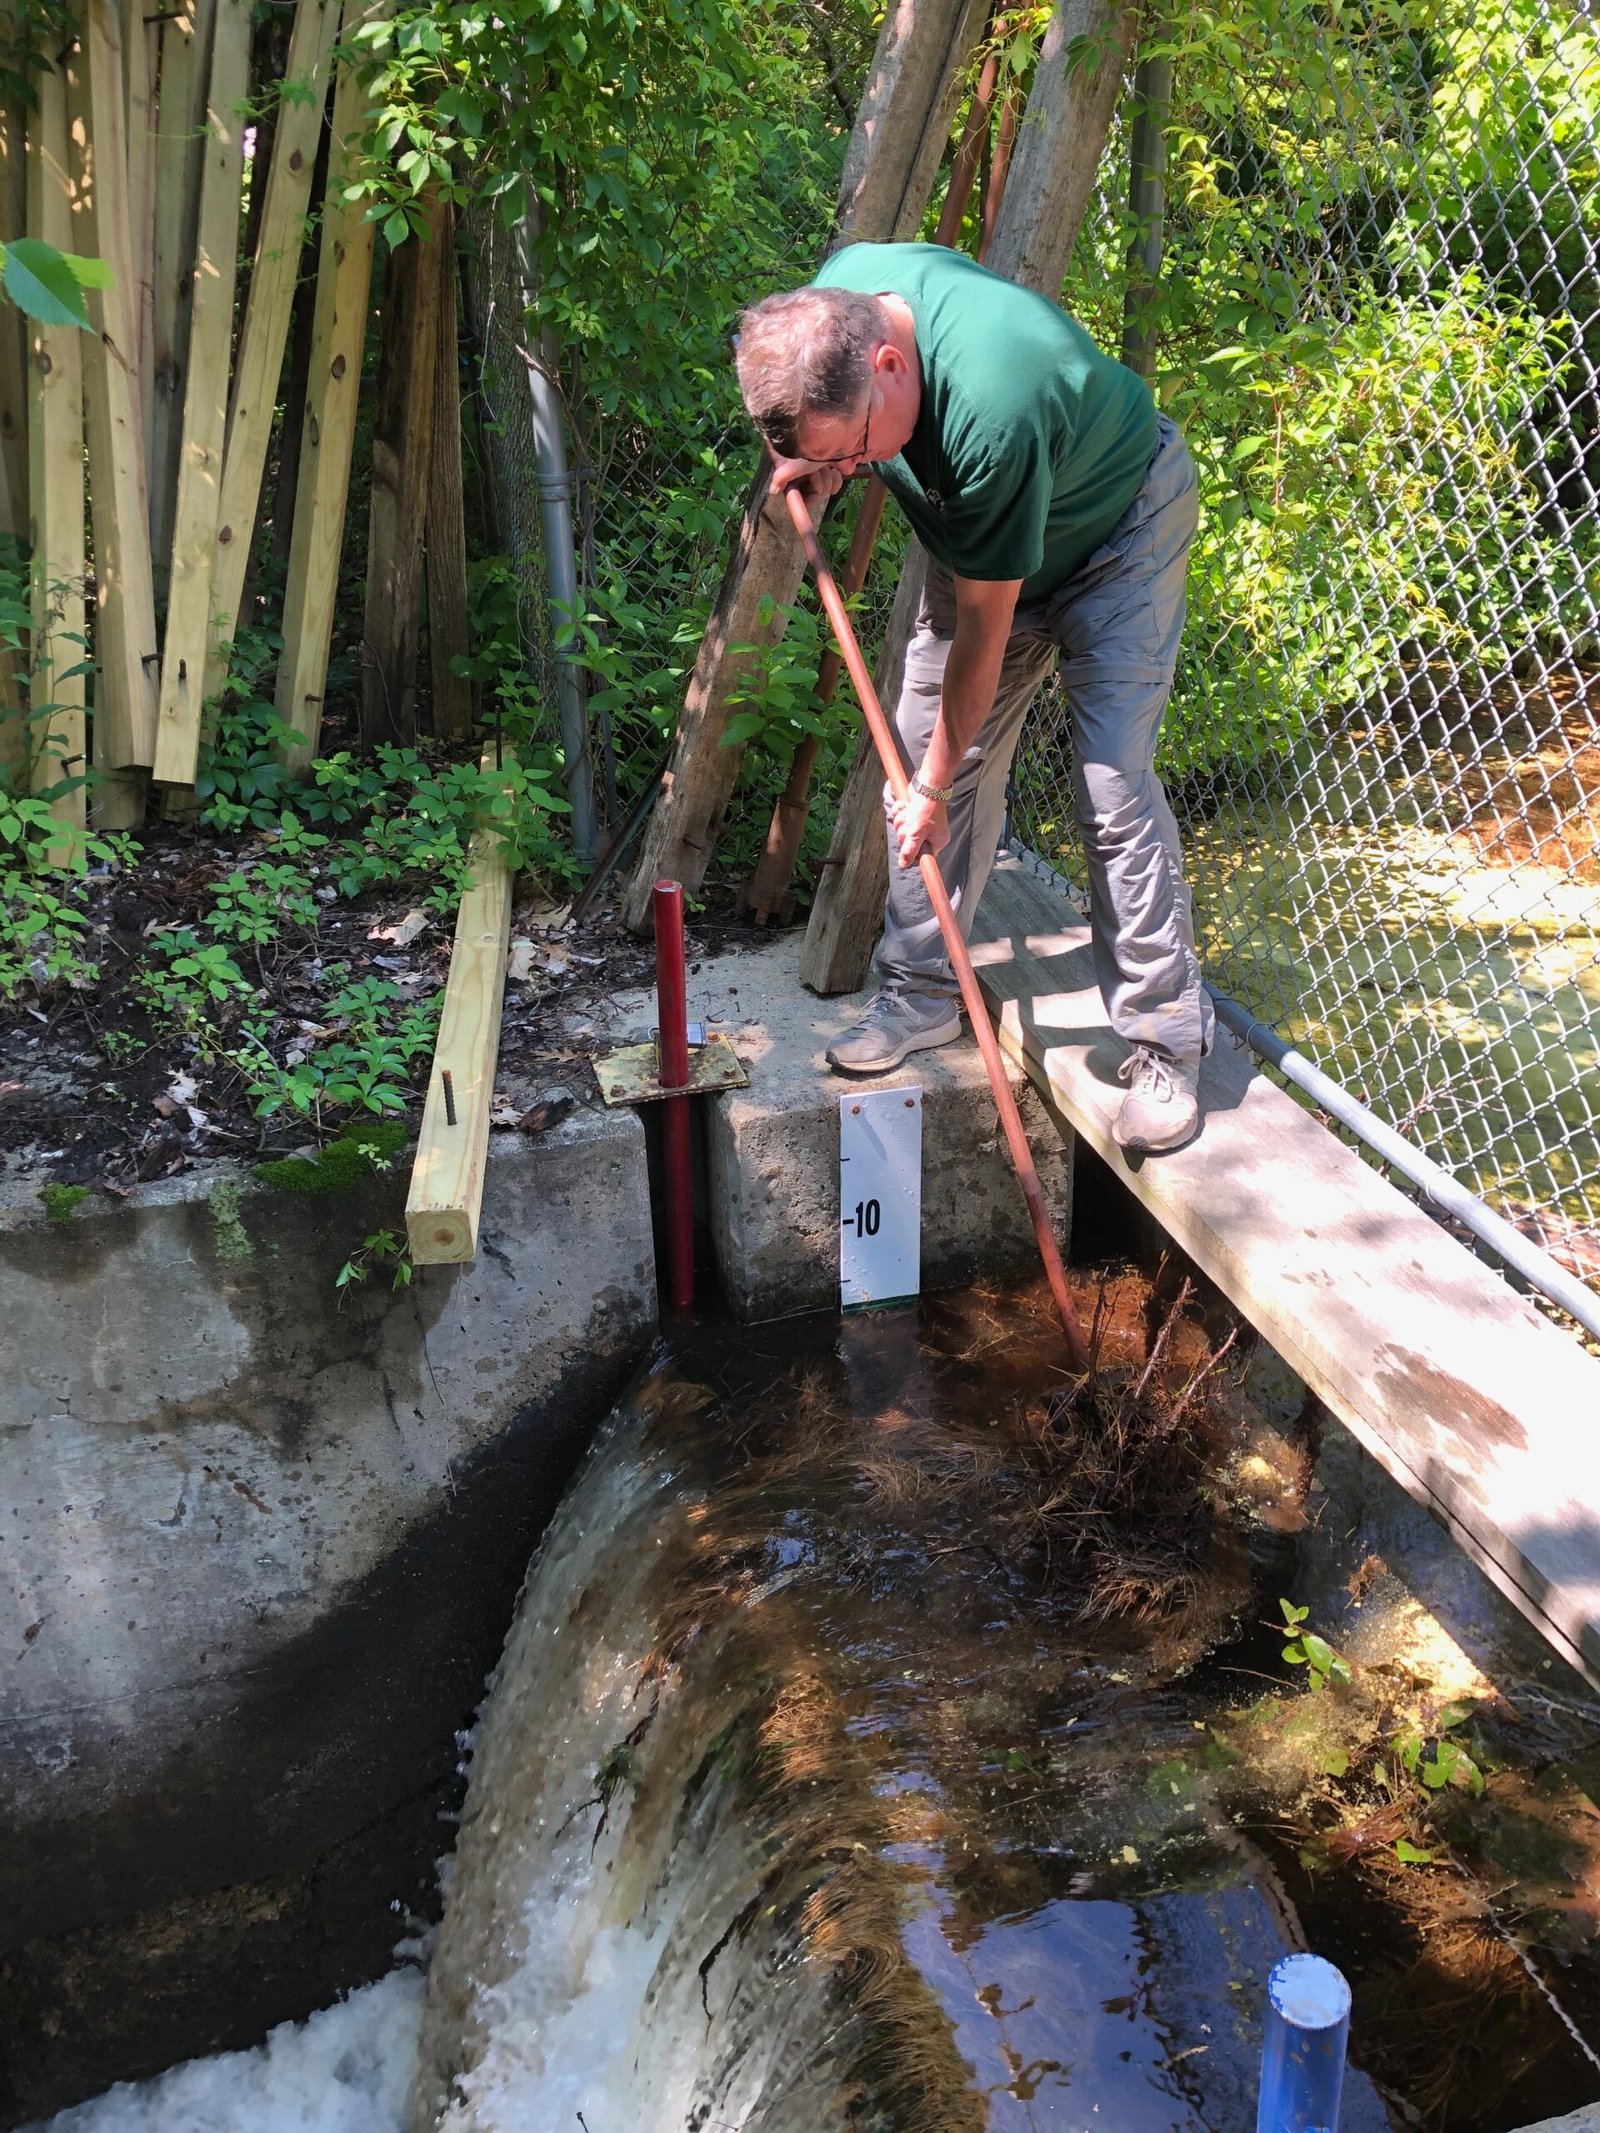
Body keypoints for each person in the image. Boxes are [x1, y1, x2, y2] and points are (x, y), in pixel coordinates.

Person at [733, 241, 1213, 1156]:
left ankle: (1163, 1043)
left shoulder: (994, 405)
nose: (861, 468)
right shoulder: (828, 319)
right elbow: (794, 410)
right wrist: (814, 461)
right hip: (983, 533)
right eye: (846, 459)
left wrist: (936, 787)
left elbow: (986, 636)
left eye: (861, 452)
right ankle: (921, 994)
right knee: (910, 759)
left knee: (1110, 784)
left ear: (889, 365)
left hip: (1119, 532)